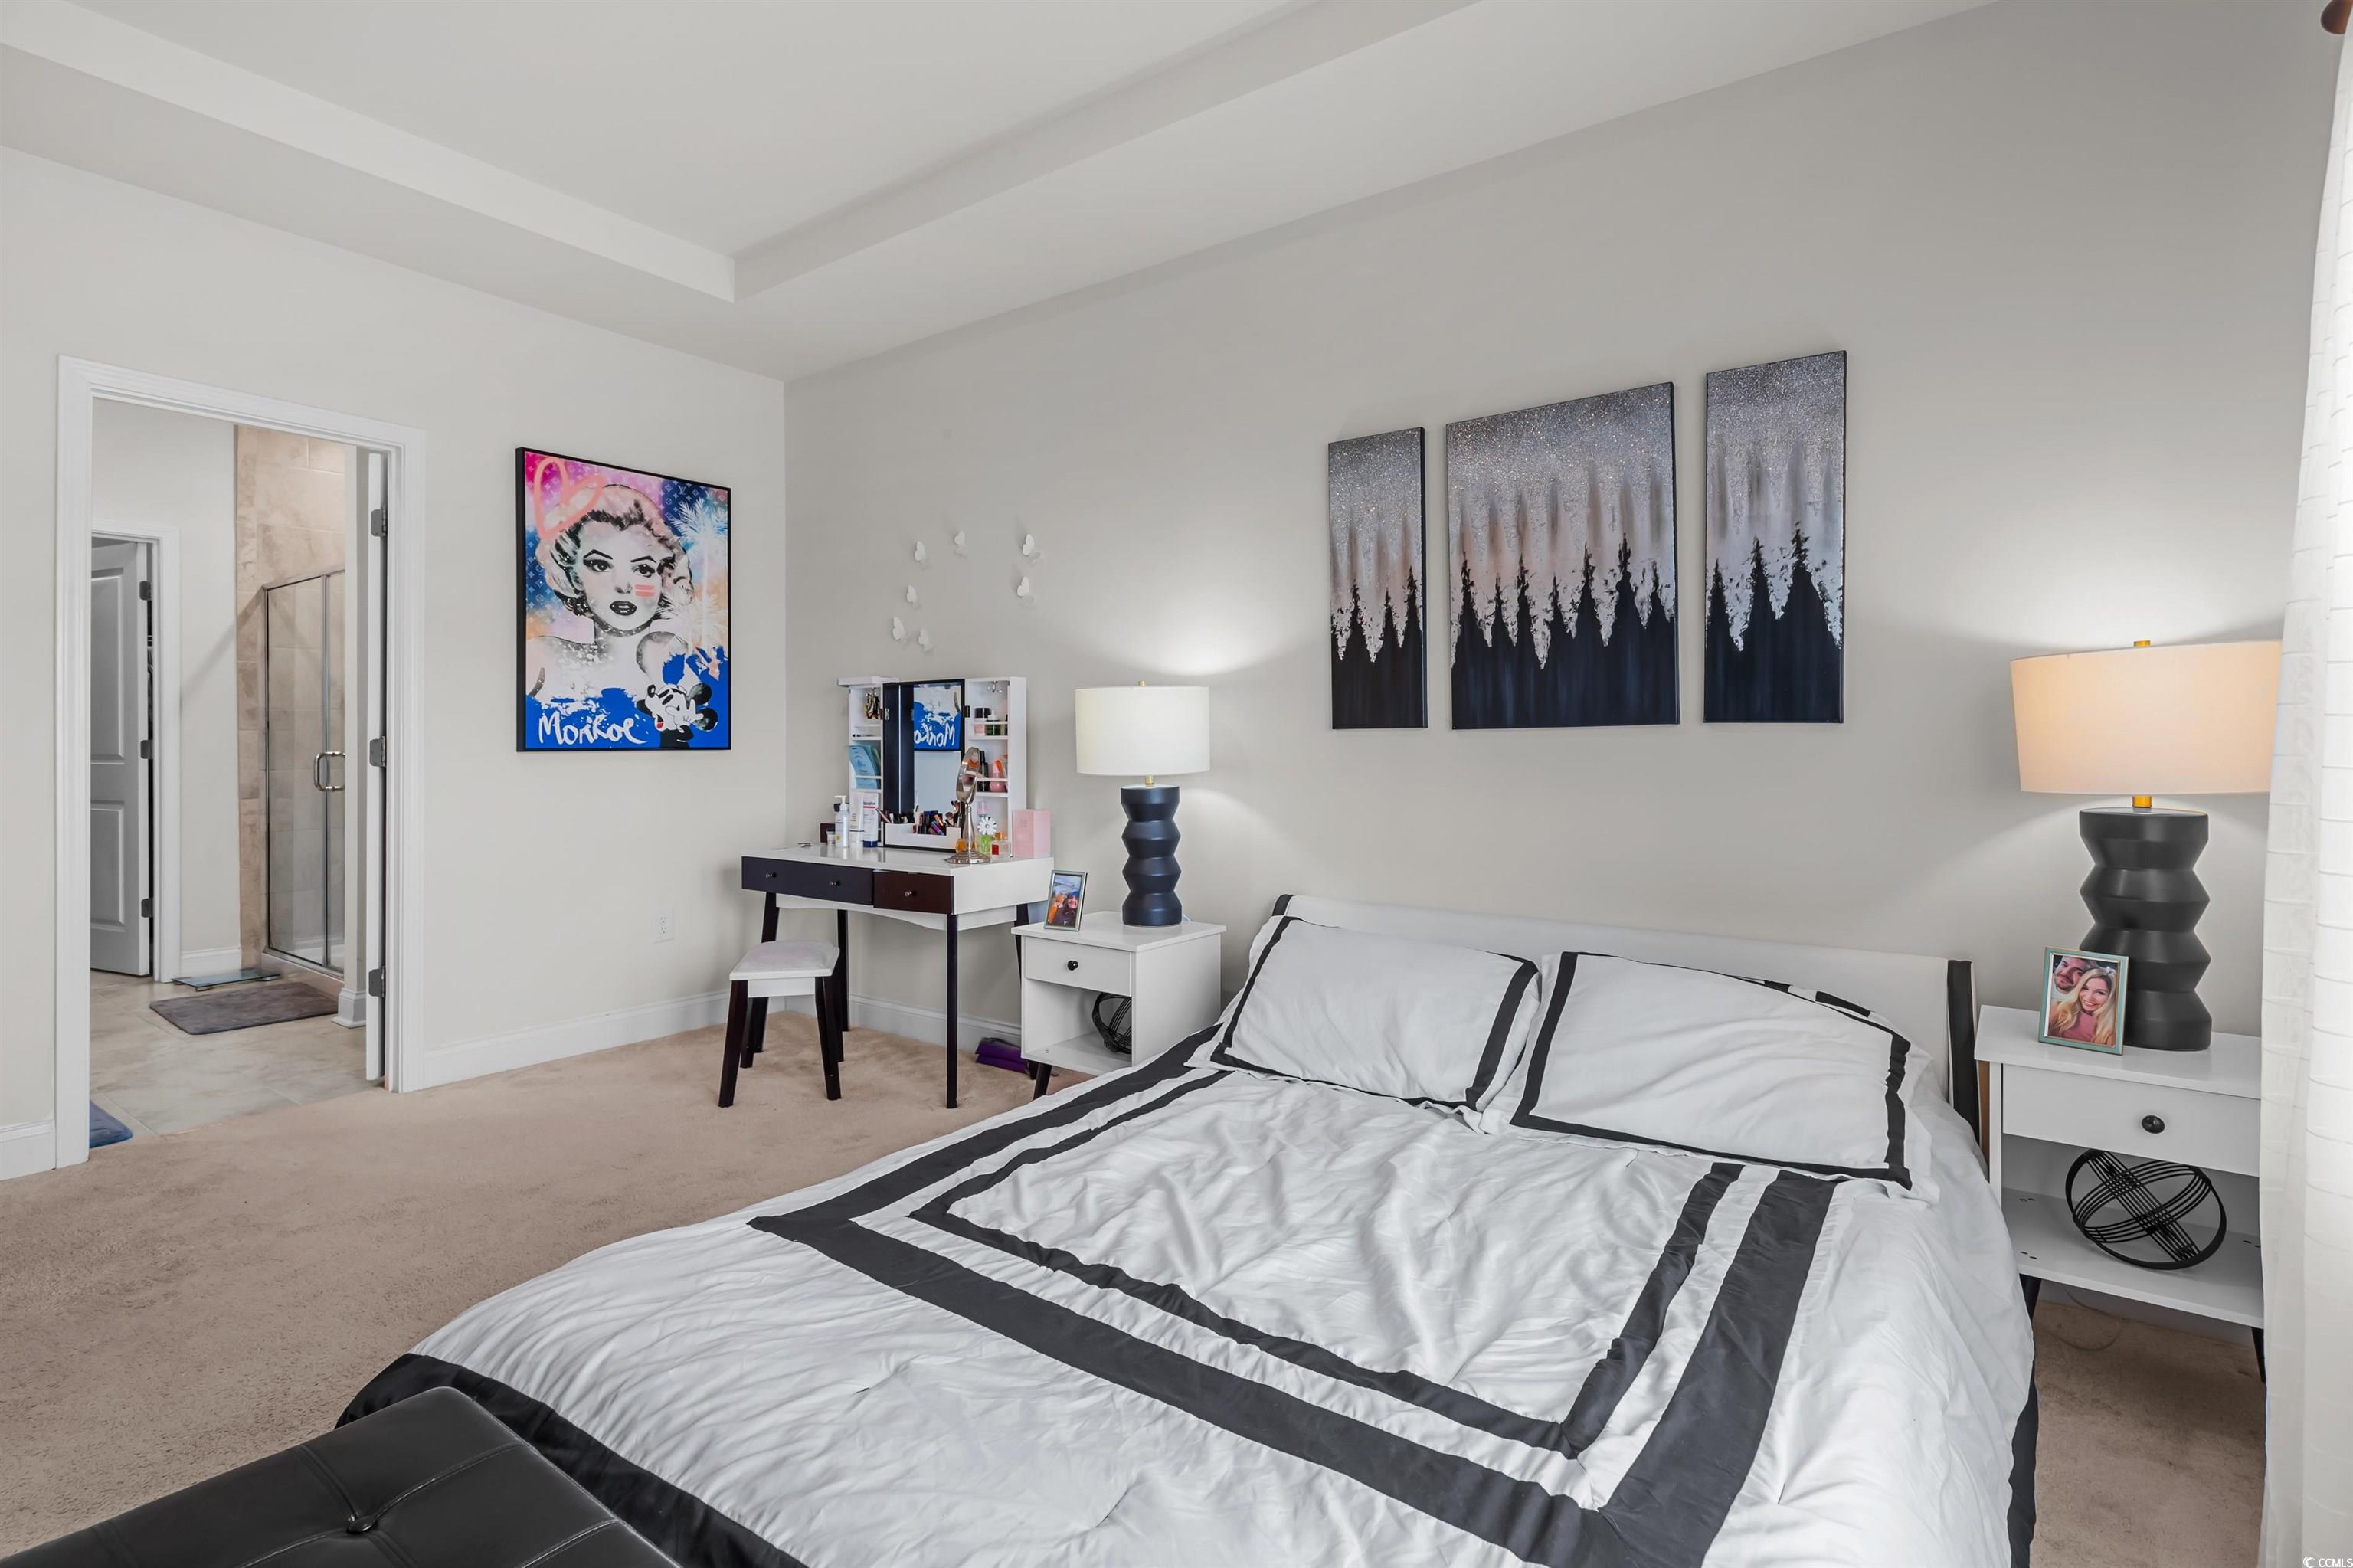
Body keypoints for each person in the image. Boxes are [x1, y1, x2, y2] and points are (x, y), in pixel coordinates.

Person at [2048, 967, 2119, 1047]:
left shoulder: (2112, 1029)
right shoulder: (2059, 1008)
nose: (2089, 998)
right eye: (2085, 988)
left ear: (2111, 997)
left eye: (2100, 993)